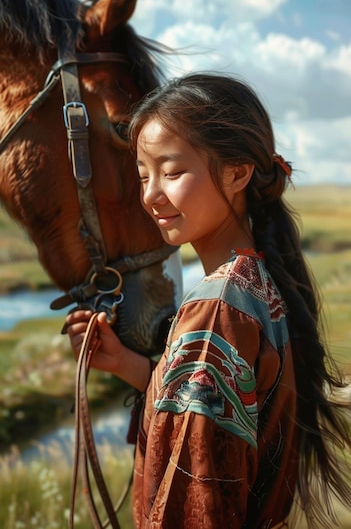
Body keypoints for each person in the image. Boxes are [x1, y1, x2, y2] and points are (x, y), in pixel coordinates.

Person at [65, 73, 351, 529]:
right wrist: (125, 363)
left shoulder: (216, 308)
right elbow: (217, 412)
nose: (151, 195)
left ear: (237, 173)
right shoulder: (254, 282)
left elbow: (198, 500)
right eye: (143, 176)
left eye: (172, 171)